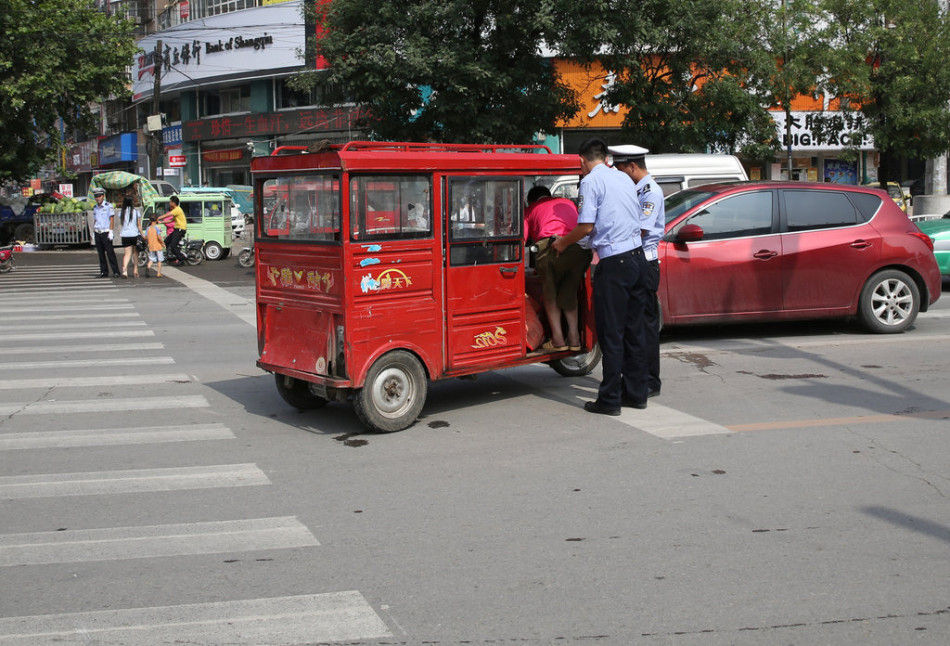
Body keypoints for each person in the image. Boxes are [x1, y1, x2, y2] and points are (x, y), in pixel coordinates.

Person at [553, 138, 650, 415]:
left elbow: (585, 227)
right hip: (636, 259)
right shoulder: (622, 178)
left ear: (582, 160)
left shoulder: (591, 182)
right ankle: (636, 393)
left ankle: (609, 399)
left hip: (615, 264)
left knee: (611, 334)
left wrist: (562, 244)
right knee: (633, 331)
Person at [610, 144, 664, 398]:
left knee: (644, 326)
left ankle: (650, 380)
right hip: (634, 260)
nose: (619, 174)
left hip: (645, 261)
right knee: (633, 325)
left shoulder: (650, 192)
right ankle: (636, 378)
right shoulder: (633, 190)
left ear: (632, 166)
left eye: (620, 168)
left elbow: (641, 229)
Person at [524, 185, 592, 351]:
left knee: (550, 294)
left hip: (550, 248)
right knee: (569, 293)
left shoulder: (531, 209)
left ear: (531, 200)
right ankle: (574, 339)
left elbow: (522, 239)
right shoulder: (567, 203)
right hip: (578, 249)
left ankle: (558, 340)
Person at [91, 187, 120, 278]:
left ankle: (116, 271)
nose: (97, 198)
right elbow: (95, 220)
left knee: (110, 252)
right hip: (98, 232)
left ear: (103, 196)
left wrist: (111, 231)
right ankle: (104, 272)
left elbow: (111, 219)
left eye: (99, 196)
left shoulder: (108, 206)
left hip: (106, 232)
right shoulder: (95, 208)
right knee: (101, 254)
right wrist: (93, 231)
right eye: (96, 196)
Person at [117, 196, 142, 279]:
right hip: (134, 234)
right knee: (135, 253)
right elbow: (139, 225)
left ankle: (124, 271)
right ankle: (135, 270)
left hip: (125, 235)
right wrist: (142, 235)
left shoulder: (121, 212)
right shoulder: (136, 212)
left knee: (127, 254)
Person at [159, 195, 187, 264]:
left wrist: (158, 218)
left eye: (170, 202)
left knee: (173, 246)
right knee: (166, 241)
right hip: (176, 229)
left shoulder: (177, 209)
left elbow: (167, 215)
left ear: (174, 203)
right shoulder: (176, 210)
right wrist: (161, 222)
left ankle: (182, 258)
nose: (169, 203)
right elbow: (171, 220)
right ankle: (171, 257)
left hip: (180, 229)